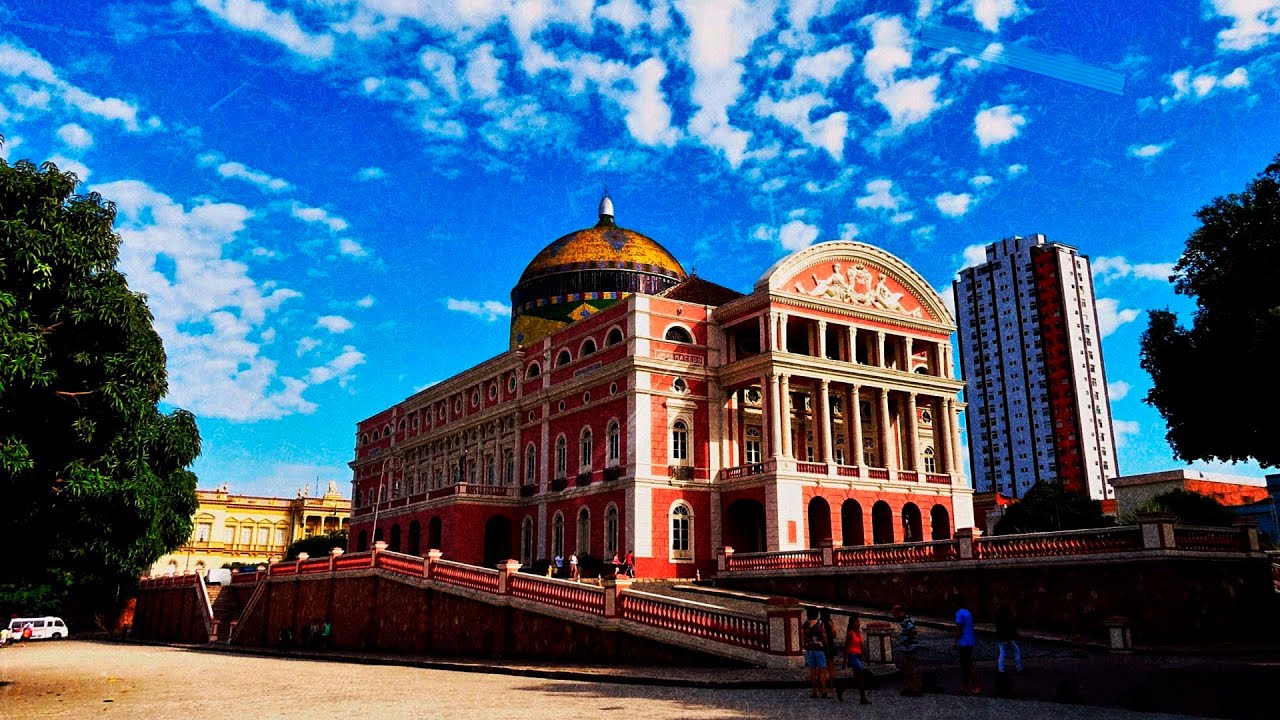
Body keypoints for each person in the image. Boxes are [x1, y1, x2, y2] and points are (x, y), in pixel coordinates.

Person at [893, 605, 922, 696]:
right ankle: (910, 687)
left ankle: (914, 689)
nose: (894, 616)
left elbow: (913, 630)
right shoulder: (906, 620)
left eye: (895, 614)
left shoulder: (906, 621)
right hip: (909, 648)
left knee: (910, 669)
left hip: (909, 649)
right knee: (907, 668)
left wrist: (907, 641)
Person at [843, 613, 871, 705]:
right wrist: (845, 660)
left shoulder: (859, 633)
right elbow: (846, 647)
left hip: (858, 655)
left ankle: (841, 689)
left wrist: (866, 656)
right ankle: (862, 697)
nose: (858, 623)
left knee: (857, 678)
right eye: (856, 622)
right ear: (852, 623)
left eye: (858, 621)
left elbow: (861, 645)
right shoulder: (850, 634)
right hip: (852, 655)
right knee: (860, 674)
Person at [801, 607, 829, 698]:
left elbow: (803, 637)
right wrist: (826, 645)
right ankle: (823, 690)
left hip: (810, 649)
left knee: (812, 672)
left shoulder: (805, 624)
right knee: (822, 671)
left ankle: (814, 691)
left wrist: (805, 645)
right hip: (819, 649)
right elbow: (824, 635)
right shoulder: (820, 624)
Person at [954, 595, 980, 695]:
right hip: (970, 641)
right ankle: (966, 686)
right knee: (966, 664)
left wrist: (955, 642)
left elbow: (959, 629)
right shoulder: (968, 612)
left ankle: (975, 685)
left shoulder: (959, 613)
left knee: (967, 665)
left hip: (963, 642)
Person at [995, 603, 1023, 674]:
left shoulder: (998, 617)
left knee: (1002, 653)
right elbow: (1010, 628)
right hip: (1007, 638)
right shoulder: (1007, 618)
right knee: (1016, 651)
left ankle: (1001, 670)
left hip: (1001, 638)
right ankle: (1019, 668)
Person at [820, 609, 841, 701]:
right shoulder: (830, 622)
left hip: (822, 646)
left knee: (822, 669)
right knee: (831, 668)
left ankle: (823, 688)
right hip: (830, 646)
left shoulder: (819, 623)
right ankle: (832, 687)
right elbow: (834, 634)